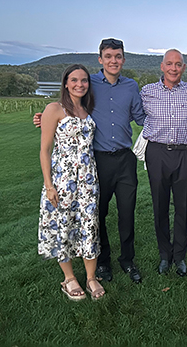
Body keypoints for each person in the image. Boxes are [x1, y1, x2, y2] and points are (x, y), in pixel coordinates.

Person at [34, 38, 145, 284]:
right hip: (97, 162)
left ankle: (127, 260)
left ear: (123, 59)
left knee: (127, 213)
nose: (113, 61)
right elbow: (67, 105)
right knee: (97, 215)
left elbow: (141, 117)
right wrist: (44, 116)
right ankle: (102, 263)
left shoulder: (131, 86)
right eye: (108, 56)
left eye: (117, 56)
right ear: (100, 59)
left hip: (125, 160)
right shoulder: (89, 83)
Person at [38, 64, 105, 300]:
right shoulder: (55, 109)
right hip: (63, 181)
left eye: (84, 80)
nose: (79, 84)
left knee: (89, 226)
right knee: (63, 226)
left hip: (88, 180)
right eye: (74, 80)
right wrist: (49, 185)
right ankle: (69, 278)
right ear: (65, 83)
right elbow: (45, 150)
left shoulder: (88, 109)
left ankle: (90, 277)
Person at [140, 49, 187, 276]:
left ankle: (179, 256)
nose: (174, 68)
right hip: (157, 153)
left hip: (185, 153)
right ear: (162, 66)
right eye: (170, 64)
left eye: (179, 64)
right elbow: (125, 111)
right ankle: (165, 254)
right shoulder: (147, 92)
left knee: (183, 206)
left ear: (183, 68)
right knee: (160, 205)